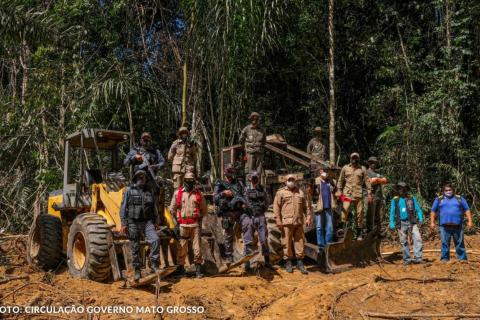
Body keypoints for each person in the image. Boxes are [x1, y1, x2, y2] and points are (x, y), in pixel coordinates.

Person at [120, 170, 160, 281]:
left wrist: (156, 221)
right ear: (135, 178)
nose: (142, 179)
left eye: (144, 177)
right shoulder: (129, 191)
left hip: (147, 222)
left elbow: (154, 208)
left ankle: (154, 264)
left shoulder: (149, 191)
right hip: (133, 222)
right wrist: (123, 223)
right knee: (135, 247)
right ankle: (137, 271)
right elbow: (123, 208)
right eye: (139, 177)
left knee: (155, 239)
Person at [169, 172, 208, 278]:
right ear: (184, 180)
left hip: (195, 225)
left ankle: (198, 268)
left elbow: (204, 210)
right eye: (188, 180)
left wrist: (200, 220)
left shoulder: (198, 194)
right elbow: (171, 209)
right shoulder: (178, 193)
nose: (190, 182)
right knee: (182, 247)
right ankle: (181, 268)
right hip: (182, 225)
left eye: (191, 180)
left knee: (197, 248)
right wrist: (175, 222)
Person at [273, 174, 313, 274]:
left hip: (298, 222)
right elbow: (276, 207)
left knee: (299, 242)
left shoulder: (300, 192)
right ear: (286, 181)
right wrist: (278, 220)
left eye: (293, 180)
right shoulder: (281, 192)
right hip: (286, 222)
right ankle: (288, 262)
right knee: (286, 242)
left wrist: (308, 217)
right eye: (289, 180)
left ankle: (300, 262)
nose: (291, 181)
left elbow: (306, 207)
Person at [430, 183, 473, 262]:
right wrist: (432, 222)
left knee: (459, 243)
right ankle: (444, 259)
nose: (448, 191)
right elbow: (433, 211)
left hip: (458, 226)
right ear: (443, 191)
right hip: (444, 226)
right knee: (445, 244)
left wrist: (470, 221)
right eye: (446, 190)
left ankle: (462, 259)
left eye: (450, 190)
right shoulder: (439, 199)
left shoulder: (459, 198)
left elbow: (467, 209)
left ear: (453, 190)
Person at [213, 164, 246, 263]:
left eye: (232, 171)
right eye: (229, 171)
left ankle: (247, 251)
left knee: (247, 227)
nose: (231, 174)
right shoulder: (220, 183)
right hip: (227, 212)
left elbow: (244, 193)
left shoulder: (238, 182)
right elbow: (214, 199)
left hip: (238, 211)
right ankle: (229, 256)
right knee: (228, 234)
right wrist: (224, 193)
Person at [337, 152, 372, 240]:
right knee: (345, 209)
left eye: (356, 158)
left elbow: (367, 182)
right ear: (350, 158)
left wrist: (369, 193)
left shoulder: (362, 169)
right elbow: (340, 181)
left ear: (358, 159)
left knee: (359, 214)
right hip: (347, 194)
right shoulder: (345, 168)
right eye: (353, 158)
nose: (354, 160)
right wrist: (339, 191)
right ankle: (342, 230)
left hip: (358, 195)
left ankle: (359, 234)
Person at [243, 171, 272, 272]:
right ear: (250, 179)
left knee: (264, 240)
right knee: (248, 241)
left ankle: (267, 261)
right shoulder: (246, 190)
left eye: (256, 178)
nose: (255, 180)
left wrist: (262, 210)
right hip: (249, 217)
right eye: (253, 178)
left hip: (260, 216)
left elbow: (267, 201)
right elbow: (245, 202)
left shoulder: (262, 190)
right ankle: (247, 264)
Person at [389, 182, 424, 265]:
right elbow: (392, 212)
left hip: (412, 222)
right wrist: (391, 222)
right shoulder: (395, 199)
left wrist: (421, 218)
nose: (401, 190)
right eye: (400, 188)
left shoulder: (411, 198)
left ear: (406, 190)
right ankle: (407, 259)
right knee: (403, 241)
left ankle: (418, 258)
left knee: (417, 238)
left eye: (403, 188)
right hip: (401, 222)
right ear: (398, 190)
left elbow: (418, 209)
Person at [315, 170, 337, 252]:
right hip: (319, 207)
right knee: (319, 227)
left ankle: (328, 246)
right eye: (321, 172)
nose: (323, 173)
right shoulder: (316, 181)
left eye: (324, 172)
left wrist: (346, 199)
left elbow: (337, 193)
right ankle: (321, 247)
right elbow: (310, 193)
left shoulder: (332, 181)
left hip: (329, 207)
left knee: (330, 228)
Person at [239, 112, 266, 177]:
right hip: (250, 153)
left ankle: (256, 186)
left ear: (258, 120)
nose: (255, 120)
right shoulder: (246, 129)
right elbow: (241, 140)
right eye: (253, 118)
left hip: (259, 153)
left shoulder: (262, 130)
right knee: (250, 171)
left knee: (258, 172)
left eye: (256, 119)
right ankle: (249, 186)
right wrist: (246, 149)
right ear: (250, 119)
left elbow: (264, 142)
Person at [366, 157, 388, 234]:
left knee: (378, 215)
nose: (374, 164)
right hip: (372, 196)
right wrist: (378, 180)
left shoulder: (377, 173)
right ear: (369, 163)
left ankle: (378, 232)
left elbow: (385, 180)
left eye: (375, 162)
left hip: (379, 196)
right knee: (371, 215)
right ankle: (370, 232)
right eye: (372, 162)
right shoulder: (367, 172)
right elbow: (369, 182)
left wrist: (376, 179)